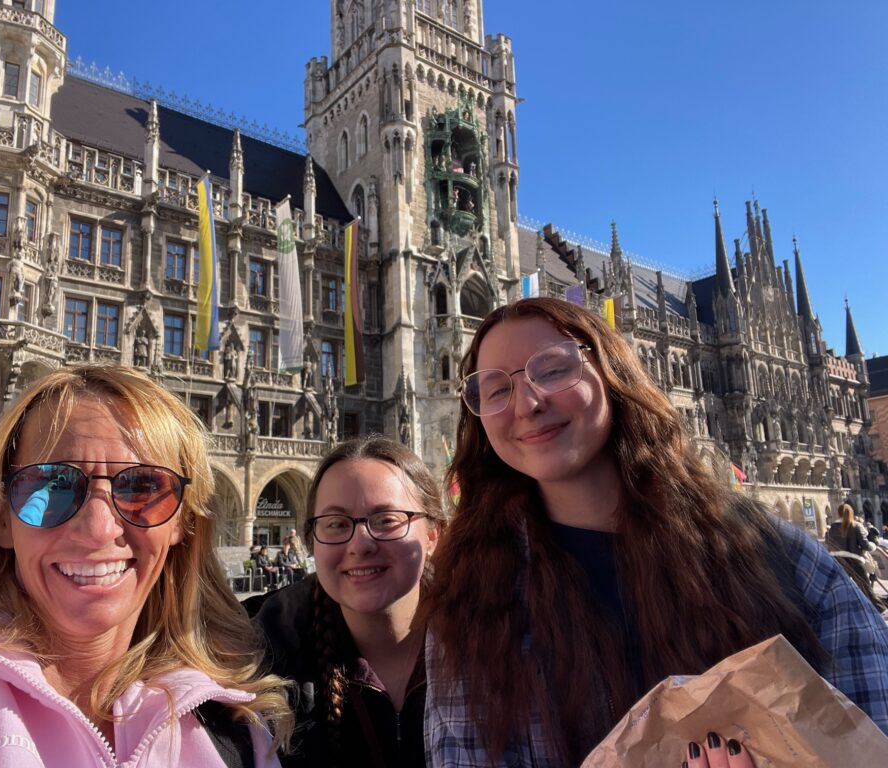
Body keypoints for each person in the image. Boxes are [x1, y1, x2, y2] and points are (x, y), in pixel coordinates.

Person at [423, 297, 888, 766]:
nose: (527, 402)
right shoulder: (471, 601)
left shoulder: (779, 559)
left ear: (612, 371)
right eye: (496, 390)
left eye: (551, 368)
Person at [0, 365, 291, 766]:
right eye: (54, 484)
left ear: (183, 521)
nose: (99, 529)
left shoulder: (241, 736)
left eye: (143, 486)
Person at [253, 437, 445, 767]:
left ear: (432, 536)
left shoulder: (498, 646)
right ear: (313, 541)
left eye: (386, 520)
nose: (360, 544)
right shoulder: (256, 660)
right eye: (337, 524)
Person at [826, 502, 875, 584]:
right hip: (854, 561)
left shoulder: (832, 528)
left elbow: (829, 544)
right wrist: (873, 545)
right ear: (851, 513)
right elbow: (865, 545)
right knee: (866, 589)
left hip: (837, 561)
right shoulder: (856, 526)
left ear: (839, 513)